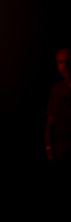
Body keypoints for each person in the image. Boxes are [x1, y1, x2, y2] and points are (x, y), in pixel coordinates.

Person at [45, 47, 70, 187]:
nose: (65, 65)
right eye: (61, 62)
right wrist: (49, 150)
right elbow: (50, 122)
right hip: (60, 155)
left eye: (68, 61)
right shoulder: (57, 90)